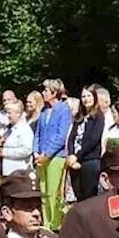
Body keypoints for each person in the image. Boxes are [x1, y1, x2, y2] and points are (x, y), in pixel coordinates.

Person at [35, 79, 73, 228]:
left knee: (53, 191)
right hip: (41, 156)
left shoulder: (64, 109)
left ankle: (55, 224)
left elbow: (61, 135)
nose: (43, 93)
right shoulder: (44, 111)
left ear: (54, 93)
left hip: (56, 156)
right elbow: (38, 133)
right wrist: (36, 152)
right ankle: (45, 222)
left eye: (46, 91)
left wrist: (47, 154)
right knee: (43, 191)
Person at [67, 86, 106, 202]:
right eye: (83, 96)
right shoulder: (79, 117)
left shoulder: (98, 116)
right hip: (75, 162)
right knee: (79, 197)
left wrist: (77, 156)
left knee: (89, 197)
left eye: (89, 96)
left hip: (90, 160)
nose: (86, 99)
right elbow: (71, 138)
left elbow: (93, 140)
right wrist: (70, 155)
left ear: (94, 97)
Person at [0, 100, 35, 176]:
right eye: (6, 113)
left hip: (20, 172)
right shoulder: (8, 130)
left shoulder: (24, 129)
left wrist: (4, 152)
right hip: (8, 171)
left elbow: (26, 150)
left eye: (9, 113)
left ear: (18, 113)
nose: (7, 115)